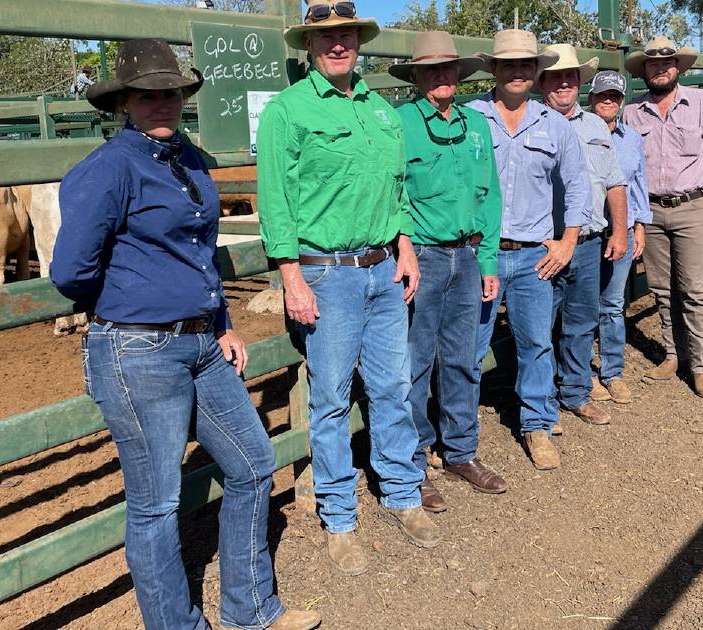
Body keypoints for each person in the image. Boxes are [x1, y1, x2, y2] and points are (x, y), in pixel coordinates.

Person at [51, 39, 319, 630]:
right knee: (156, 503)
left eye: (170, 92)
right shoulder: (108, 170)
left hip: (201, 344)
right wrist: (133, 304)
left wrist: (219, 321)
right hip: (138, 348)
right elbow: (71, 272)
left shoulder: (189, 159)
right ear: (123, 101)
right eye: (148, 94)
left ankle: (250, 609)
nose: (162, 103)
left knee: (251, 465)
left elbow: (200, 253)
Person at [256, 1, 440, 577]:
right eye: (327, 37)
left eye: (347, 35)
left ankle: (403, 494)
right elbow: (276, 200)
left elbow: (397, 186)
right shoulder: (289, 111)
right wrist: (291, 275)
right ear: (310, 45)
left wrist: (404, 243)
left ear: (358, 41)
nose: (339, 44)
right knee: (332, 398)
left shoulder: (379, 111)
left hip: (383, 267)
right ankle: (339, 518)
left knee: (392, 385)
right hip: (326, 274)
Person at [389, 31, 506, 513]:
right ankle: (413, 464)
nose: (442, 77)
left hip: (468, 252)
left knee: (461, 357)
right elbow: (394, 192)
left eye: (448, 69)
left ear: (459, 75)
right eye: (431, 70)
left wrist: (489, 259)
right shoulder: (399, 125)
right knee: (414, 362)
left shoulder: (476, 126)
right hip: (424, 256)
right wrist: (404, 247)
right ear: (416, 77)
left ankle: (461, 451)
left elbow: (491, 195)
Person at [468, 29, 589, 471]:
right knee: (470, 344)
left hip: (534, 253)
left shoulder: (554, 124)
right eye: (508, 65)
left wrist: (568, 240)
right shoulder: (470, 119)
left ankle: (537, 426)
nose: (517, 71)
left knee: (537, 342)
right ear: (494, 70)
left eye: (526, 64)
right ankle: (459, 434)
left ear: (536, 71)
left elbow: (577, 185)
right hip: (482, 253)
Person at [621, 36, 703, 399]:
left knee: (694, 289)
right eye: (653, 64)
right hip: (651, 210)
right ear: (645, 71)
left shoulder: (702, 102)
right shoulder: (632, 112)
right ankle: (673, 354)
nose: (660, 69)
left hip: (692, 206)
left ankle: (701, 365)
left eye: (667, 63)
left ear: (678, 68)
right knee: (661, 288)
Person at [536, 44, 631, 432]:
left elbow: (614, 181)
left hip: (590, 240)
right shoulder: (531, 120)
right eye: (555, 76)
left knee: (580, 319)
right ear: (542, 82)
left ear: (579, 82)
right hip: (546, 241)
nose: (563, 83)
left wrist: (620, 230)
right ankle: (541, 402)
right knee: (539, 325)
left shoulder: (595, 126)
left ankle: (575, 392)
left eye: (570, 77)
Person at [587, 70, 649, 405]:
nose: (607, 100)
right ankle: (583, 373)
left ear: (622, 101)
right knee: (581, 306)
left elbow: (638, 184)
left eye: (614, 96)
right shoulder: (577, 131)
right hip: (585, 232)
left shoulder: (631, 138)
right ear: (592, 97)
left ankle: (613, 371)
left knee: (612, 304)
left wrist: (639, 225)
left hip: (621, 230)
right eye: (602, 95)